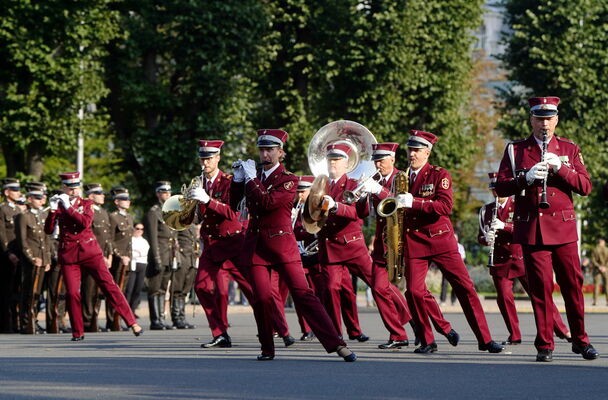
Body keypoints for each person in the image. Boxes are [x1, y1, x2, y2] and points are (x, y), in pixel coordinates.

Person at [229, 129, 356, 361]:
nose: (265, 154)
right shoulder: (253, 175)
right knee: (262, 298)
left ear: (281, 152)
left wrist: (249, 178)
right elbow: (235, 204)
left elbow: (267, 203)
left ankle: (337, 344)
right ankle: (267, 348)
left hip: (281, 245)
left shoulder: (289, 180)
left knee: (304, 294)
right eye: (262, 149)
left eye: (270, 150)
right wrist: (238, 180)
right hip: (256, 246)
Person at [496, 96, 599, 361]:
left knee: (572, 287)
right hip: (533, 228)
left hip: (563, 229)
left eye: (549, 118)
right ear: (531, 119)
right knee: (540, 288)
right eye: (539, 118)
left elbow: (585, 187)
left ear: (557, 120)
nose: (545, 124)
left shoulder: (569, 148)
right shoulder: (515, 150)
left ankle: (581, 340)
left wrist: (561, 168)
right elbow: (501, 187)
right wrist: (526, 177)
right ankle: (545, 344)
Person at [397, 130, 503, 354]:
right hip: (414, 241)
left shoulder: (439, 174)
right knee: (414, 292)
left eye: (417, 150)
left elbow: (445, 206)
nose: (412, 154)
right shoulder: (402, 178)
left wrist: (414, 202)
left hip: (440, 240)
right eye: (410, 150)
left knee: (465, 288)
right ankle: (428, 340)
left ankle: (484, 339)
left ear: (428, 152)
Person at [188, 140, 292, 347]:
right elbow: (199, 217)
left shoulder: (227, 181)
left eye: (209, 158)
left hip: (234, 241)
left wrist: (208, 201)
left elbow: (231, 211)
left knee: (256, 290)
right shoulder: (199, 183)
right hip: (212, 243)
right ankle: (220, 333)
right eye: (203, 159)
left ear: (218, 158)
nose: (205, 163)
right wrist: (191, 208)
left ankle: (281, 330)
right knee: (201, 286)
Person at [366, 142, 459, 348]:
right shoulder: (373, 180)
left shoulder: (402, 178)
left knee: (416, 290)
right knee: (382, 288)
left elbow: (400, 203)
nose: (378, 165)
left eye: (381, 160)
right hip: (385, 242)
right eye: (375, 161)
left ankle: (435, 328)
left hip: (405, 241)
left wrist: (380, 192)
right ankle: (404, 333)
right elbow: (369, 214)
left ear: (392, 159)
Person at [44, 172, 142, 340]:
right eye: (70, 188)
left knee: (109, 286)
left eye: (76, 188)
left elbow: (84, 223)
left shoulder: (86, 203)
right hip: (69, 254)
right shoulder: (60, 206)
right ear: (63, 188)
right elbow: (48, 229)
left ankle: (131, 322)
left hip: (89, 251)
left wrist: (68, 207)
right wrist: (53, 210)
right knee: (72, 293)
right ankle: (78, 332)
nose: (74, 191)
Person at [479, 172, 571, 345]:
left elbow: (526, 228)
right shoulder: (486, 210)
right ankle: (514, 335)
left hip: (520, 256)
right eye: (494, 191)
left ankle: (562, 330)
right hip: (499, 259)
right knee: (504, 298)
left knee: (539, 294)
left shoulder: (518, 204)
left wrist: (504, 226)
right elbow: (481, 236)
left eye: (499, 191)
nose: (497, 195)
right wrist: (487, 239)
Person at [15, 182, 51, 334]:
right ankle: (25, 322)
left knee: (38, 292)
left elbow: (46, 239)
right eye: (37, 198)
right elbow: (22, 242)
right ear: (29, 199)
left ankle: (33, 319)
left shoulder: (44, 215)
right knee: (28, 291)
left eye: (42, 197)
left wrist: (47, 259)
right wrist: (32, 258)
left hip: (43, 260)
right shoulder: (24, 216)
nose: (41, 200)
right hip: (32, 260)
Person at [144, 181, 178, 330]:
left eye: (169, 192)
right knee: (155, 288)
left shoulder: (170, 211)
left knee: (164, 289)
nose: (167, 194)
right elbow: (153, 238)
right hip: (159, 254)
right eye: (164, 192)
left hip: (169, 254)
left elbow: (173, 235)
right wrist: (156, 258)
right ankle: (155, 320)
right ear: (158, 193)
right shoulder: (153, 212)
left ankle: (161, 319)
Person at [81, 183, 113, 333]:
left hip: (103, 257)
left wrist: (109, 255)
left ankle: (94, 318)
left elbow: (108, 238)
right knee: (89, 288)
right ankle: (86, 320)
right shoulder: (88, 211)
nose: (103, 195)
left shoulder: (104, 213)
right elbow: (88, 235)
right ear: (91, 196)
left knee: (99, 290)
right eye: (99, 193)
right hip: (91, 255)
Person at [108, 187, 134, 331]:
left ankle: (120, 318)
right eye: (125, 199)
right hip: (118, 260)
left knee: (123, 291)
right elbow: (110, 240)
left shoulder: (128, 217)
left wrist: (129, 256)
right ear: (117, 202)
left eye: (129, 199)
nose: (128, 202)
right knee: (115, 290)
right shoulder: (113, 217)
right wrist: (119, 255)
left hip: (127, 259)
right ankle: (112, 319)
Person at [0, 178, 23, 333]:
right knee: (4, 291)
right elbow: (1, 233)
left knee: (16, 291)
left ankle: (15, 323)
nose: (18, 193)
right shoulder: (2, 209)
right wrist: (8, 252)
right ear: (7, 192)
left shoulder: (17, 210)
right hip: (5, 256)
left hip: (18, 254)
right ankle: (4, 324)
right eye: (15, 190)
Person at [171, 224, 200, 329]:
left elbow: (195, 240)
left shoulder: (191, 224)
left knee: (185, 291)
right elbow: (173, 239)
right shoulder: (178, 222)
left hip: (191, 258)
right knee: (177, 289)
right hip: (182, 258)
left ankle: (182, 317)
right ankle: (176, 318)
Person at [125, 222, 149, 315]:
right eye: (137, 228)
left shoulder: (144, 241)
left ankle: (133, 309)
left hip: (141, 265)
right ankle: (126, 310)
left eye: (141, 229)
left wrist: (137, 252)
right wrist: (136, 252)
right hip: (132, 265)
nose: (139, 231)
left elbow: (144, 252)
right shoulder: (130, 239)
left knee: (137, 289)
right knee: (129, 289)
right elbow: (131, 252)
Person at [590, 239, 608, 306]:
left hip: (597, 270)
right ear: (603, 242)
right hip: (605, 270)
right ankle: (607, 301)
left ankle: (595, 301)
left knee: (596, 286)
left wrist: (599, 266)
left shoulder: (595, 249)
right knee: (607, 285)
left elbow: (593, 259)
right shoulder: (607, 249)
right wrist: (605, 267)